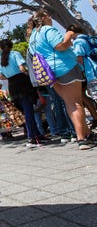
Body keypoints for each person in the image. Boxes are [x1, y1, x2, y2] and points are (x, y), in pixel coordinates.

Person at [27, 9, 95, 150]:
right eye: (49, 15)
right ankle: (81, 138)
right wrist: (69, 35)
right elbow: (60, 46)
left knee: (70, 104)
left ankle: (87, 134)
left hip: (50, 74)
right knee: (76, 103)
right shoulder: (47, 30)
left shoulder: (32, 37)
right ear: (44, 18)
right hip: (66, 67)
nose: (51, 17)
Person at [0, 39, 42, 147]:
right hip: (22, 82)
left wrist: (9, 76)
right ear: (11, 45)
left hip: (12, 84)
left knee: (26, 111)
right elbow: (22, 68)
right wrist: (26, 72)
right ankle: (31, 137)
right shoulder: (15, 54)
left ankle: (37, 134)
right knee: (29, 110)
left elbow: (0, 76)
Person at [69, 23, 97, 129]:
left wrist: (82, 72)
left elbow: (79, 58)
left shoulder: (78, 42)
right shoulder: (88, 39)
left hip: (91, 73)